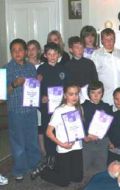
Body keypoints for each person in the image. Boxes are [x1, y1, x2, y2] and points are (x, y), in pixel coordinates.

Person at [5, 39, 40, 181]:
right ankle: (19, 168)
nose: (17, 52)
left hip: (30, 111)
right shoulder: (5, 69)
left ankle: (34, 165)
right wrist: (14, 84)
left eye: (20, 49)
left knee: (32, 140)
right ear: (11, 53)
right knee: (18, 142)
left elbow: (34, 88)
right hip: (16, 112)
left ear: (26, 52)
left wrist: (38, 81)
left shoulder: (31, 68)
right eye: (14, 50)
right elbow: (1, 96)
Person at [36, 42, 70, 175]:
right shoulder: (41, 70)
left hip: (60, 107)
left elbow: (67, 87)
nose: (52, 56)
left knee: (60, 131)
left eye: (54, 54)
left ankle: (60, 156)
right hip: (47, 108)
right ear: (45, 55)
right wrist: (42, 98)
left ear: (59, 55)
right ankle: (50, 156)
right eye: (49, 54)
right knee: (48, 131)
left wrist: (66, 100)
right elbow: (35, 89)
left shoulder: (63, 69)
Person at [40, 84, 83, 187]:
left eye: (76, 94)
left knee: (77, 178)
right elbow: (48, 132)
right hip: (64, 149)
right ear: (65, 96)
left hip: (77, 147)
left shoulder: (80, 108)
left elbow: (79, 129)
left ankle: (57, 167)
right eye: (71, 94)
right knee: (64, 182)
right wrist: (62, 144)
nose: (74, 97)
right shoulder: (59, 110)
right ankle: (44, 171)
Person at [91, 28, 120, 105]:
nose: (109, 42)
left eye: (111, 39)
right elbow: (93, 74)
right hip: (105, 94)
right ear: (102, 41)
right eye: (106, 39)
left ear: (115, 40)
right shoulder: (96, 54)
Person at [82, 81, 111, 176]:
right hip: (87, 141)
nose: (96, 95)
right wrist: (86, 135)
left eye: (99, 93)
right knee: (83, 169)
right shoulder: (83, 107)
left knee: (102, 170)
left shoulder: (106, 107)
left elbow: (109, 126)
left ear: (102, 93)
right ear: (88, 93)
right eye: (93, 92)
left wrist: (101, 135)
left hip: (102, 141)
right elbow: (79, 125)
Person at [27, 40, 46, 159]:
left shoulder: (43, 66)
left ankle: (43, 149)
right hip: (28, 101)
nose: (31, 52)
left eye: (33, 49)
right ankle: (32, 150)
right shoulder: (24, 65)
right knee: (30, 126)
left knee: (40, 125)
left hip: (41, 100)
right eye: (28, 49)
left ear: (38, 50)